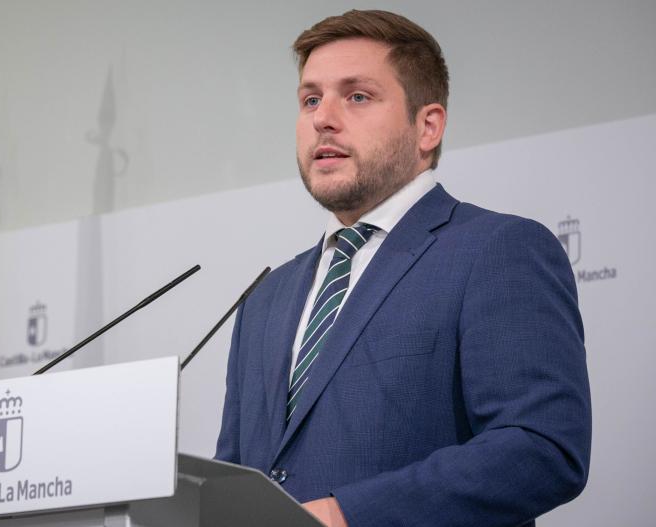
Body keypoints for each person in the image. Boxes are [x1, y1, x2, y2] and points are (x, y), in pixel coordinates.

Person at [214, 10, 591, 527]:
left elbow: (542, 447)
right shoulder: (267, 297)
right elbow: (235, 476)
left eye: (357, 96)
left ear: (427, 126)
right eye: (310, 99)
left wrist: (350, 514)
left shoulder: (497, 250)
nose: (323, 117)